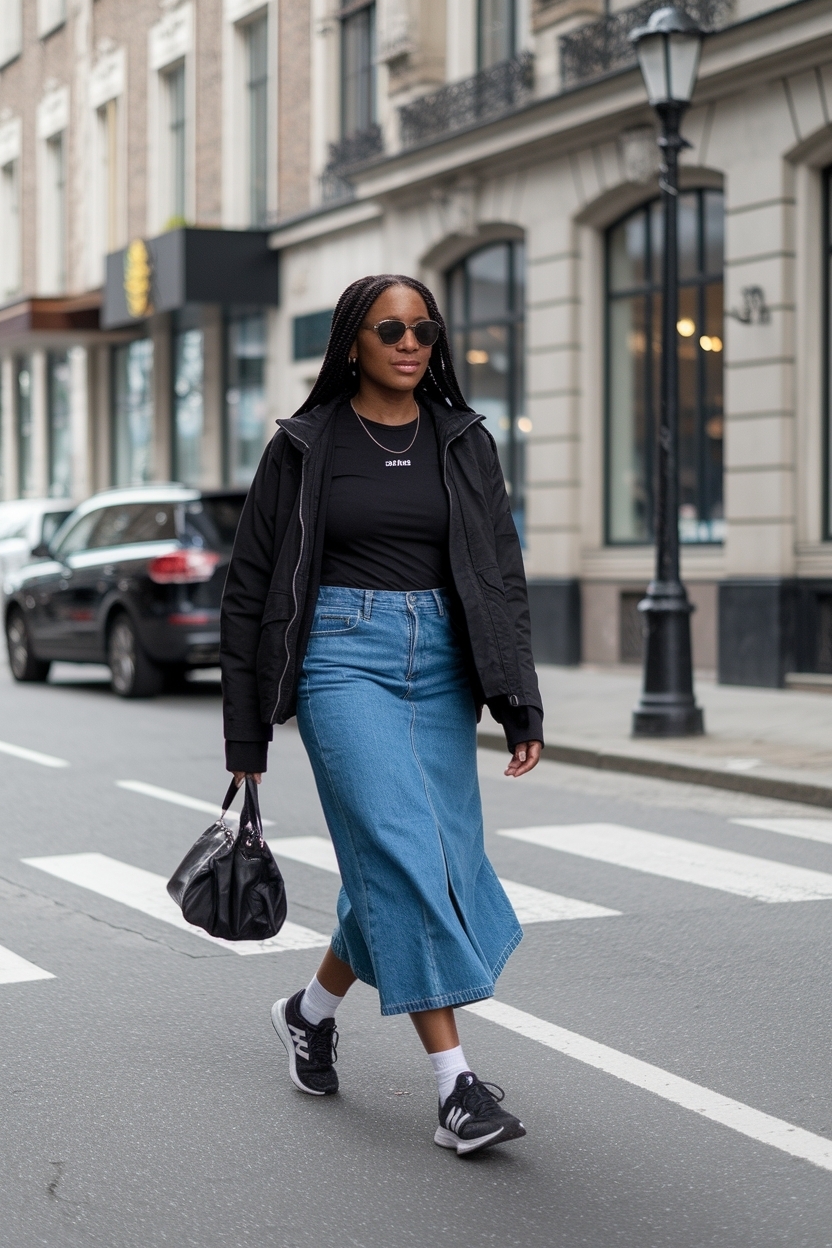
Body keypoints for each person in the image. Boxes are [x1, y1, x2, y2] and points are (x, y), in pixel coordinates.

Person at [220, 273, 544, 1156]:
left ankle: (308, 1011)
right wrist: (244, 732)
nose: (411, 345)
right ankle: (456, 1089)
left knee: (417, 860)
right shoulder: (304, 443)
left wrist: (519, 701)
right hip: (339, 657)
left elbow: (498, 573)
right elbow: (249, 586)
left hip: (442, 663)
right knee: (403, 853)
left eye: (425, 331)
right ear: (352, 342)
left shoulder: (465, 440)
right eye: (391, 329)